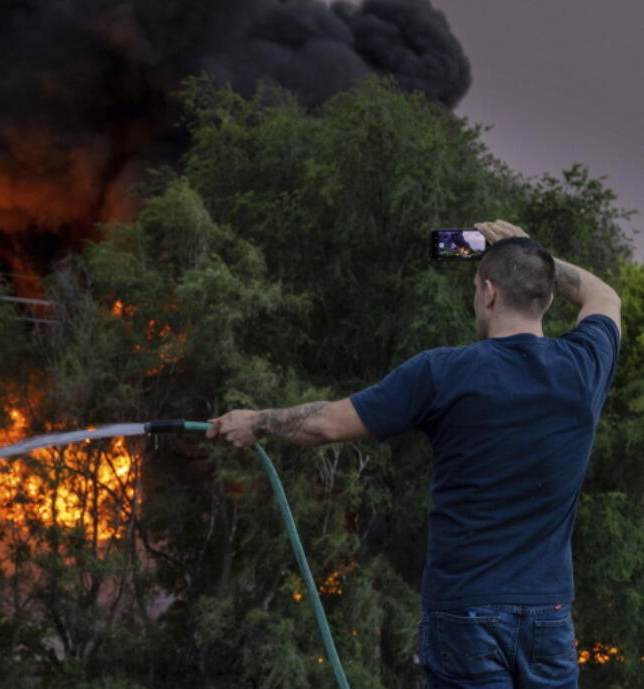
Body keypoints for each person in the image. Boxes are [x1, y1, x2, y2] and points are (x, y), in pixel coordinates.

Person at [207, 220, 621, 689]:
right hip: (548, 615)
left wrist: (257, 421)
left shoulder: (442, 372)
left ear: (487, 292)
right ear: (545, 298)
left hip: (466, 613)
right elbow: (604, 297)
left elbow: (326, 424)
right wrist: (535, 253)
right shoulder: (585, 365)